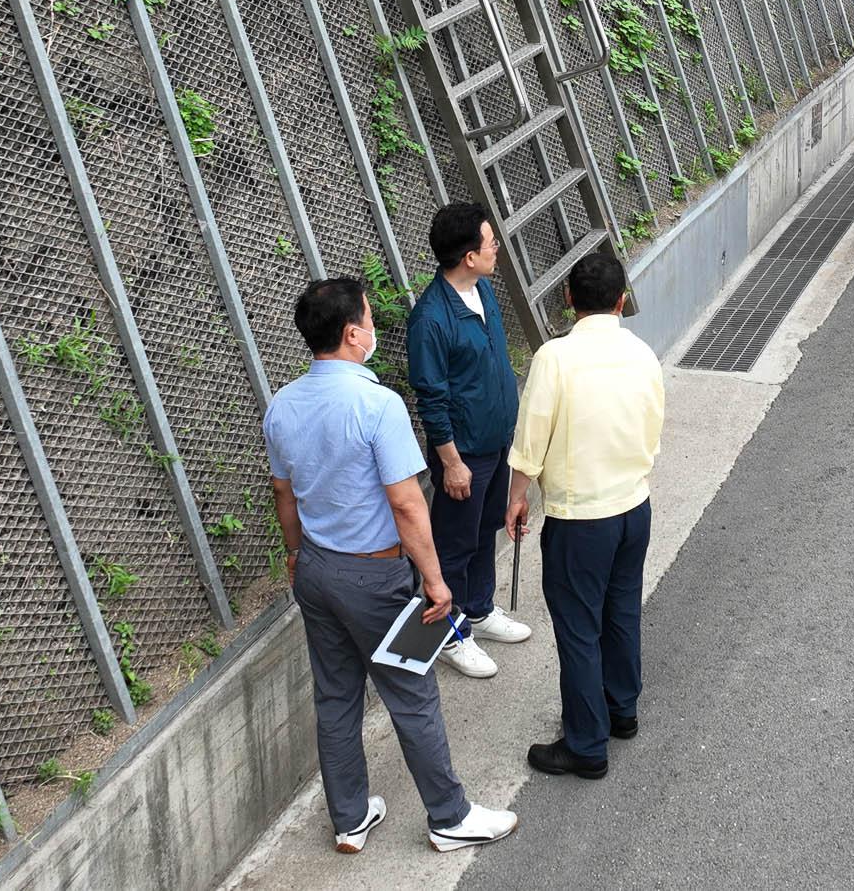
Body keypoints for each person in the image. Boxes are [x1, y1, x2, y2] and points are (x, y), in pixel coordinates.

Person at [266, 277, 517, 856]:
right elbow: (406, 502)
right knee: (412, 694)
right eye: (371, 323)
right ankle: (450, 816)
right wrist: (435, 580)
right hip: (374, 576)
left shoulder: (282, 405)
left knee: (335, 699)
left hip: (316, 571)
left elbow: (285, 495)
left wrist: (296, 554)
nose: (375, 331)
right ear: (354, 335)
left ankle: (350, 820)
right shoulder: (378, 405)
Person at [504, 249, 664, 779]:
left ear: (569, 300)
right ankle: (623, 710)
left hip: (580, 518)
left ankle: (586, 744)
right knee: (622, 613)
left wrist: (518, 495)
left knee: (578, 628)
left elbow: (530, 439)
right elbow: (654, 426)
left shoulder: (555, 358)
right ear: (622, 301)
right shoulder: (643, 353)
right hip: (633, 507)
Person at [406, 203, 531, 679]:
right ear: (468, 257)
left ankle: (480, 608)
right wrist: (452, 463)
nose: (496, 247)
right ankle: (452, 635)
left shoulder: (482, 291)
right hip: (465, 455)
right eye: (489, 243)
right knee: (454, 545)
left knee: (484, 531)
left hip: (497, 443)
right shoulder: (431, 320)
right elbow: (432, 401)